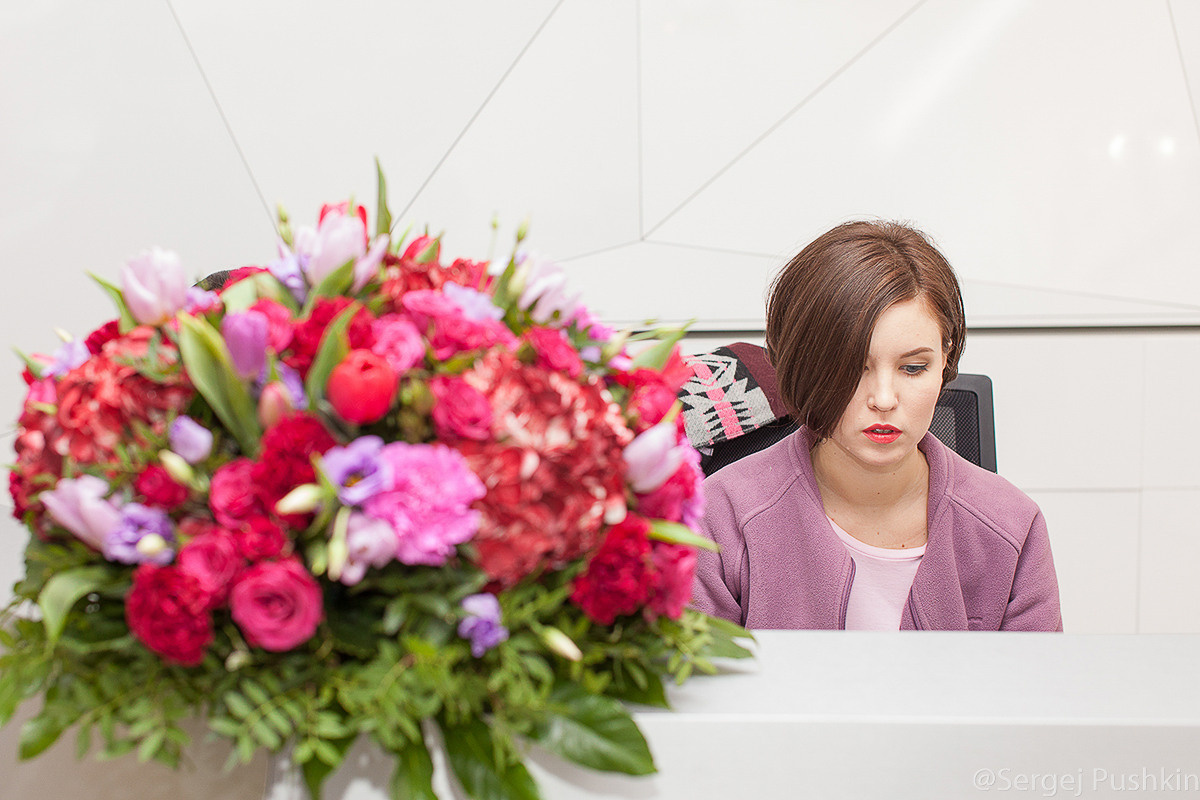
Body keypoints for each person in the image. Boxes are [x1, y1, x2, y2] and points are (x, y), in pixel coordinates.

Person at [690, 220, 1062, 631]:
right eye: (854, 368)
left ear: (945, 360)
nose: (884, 399)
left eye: (914, 367)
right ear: (800, 364)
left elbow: (1034, 692)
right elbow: (698, 688)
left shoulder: (1011, 527)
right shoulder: (718, 519)